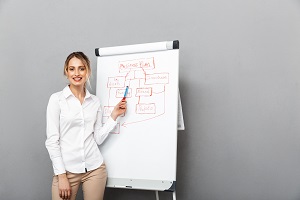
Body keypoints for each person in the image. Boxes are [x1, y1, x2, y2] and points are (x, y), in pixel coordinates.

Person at [45, 52, 127, 200]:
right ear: (66, 71)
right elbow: (52, 141)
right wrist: (61, 175)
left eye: (81, 68)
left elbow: (98, 138)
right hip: (67, 171)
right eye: (72, 69)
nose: (77, 73)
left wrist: (114, 116)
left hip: (94, 169)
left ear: (87, 71)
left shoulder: (94, 102)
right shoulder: (57, 100)